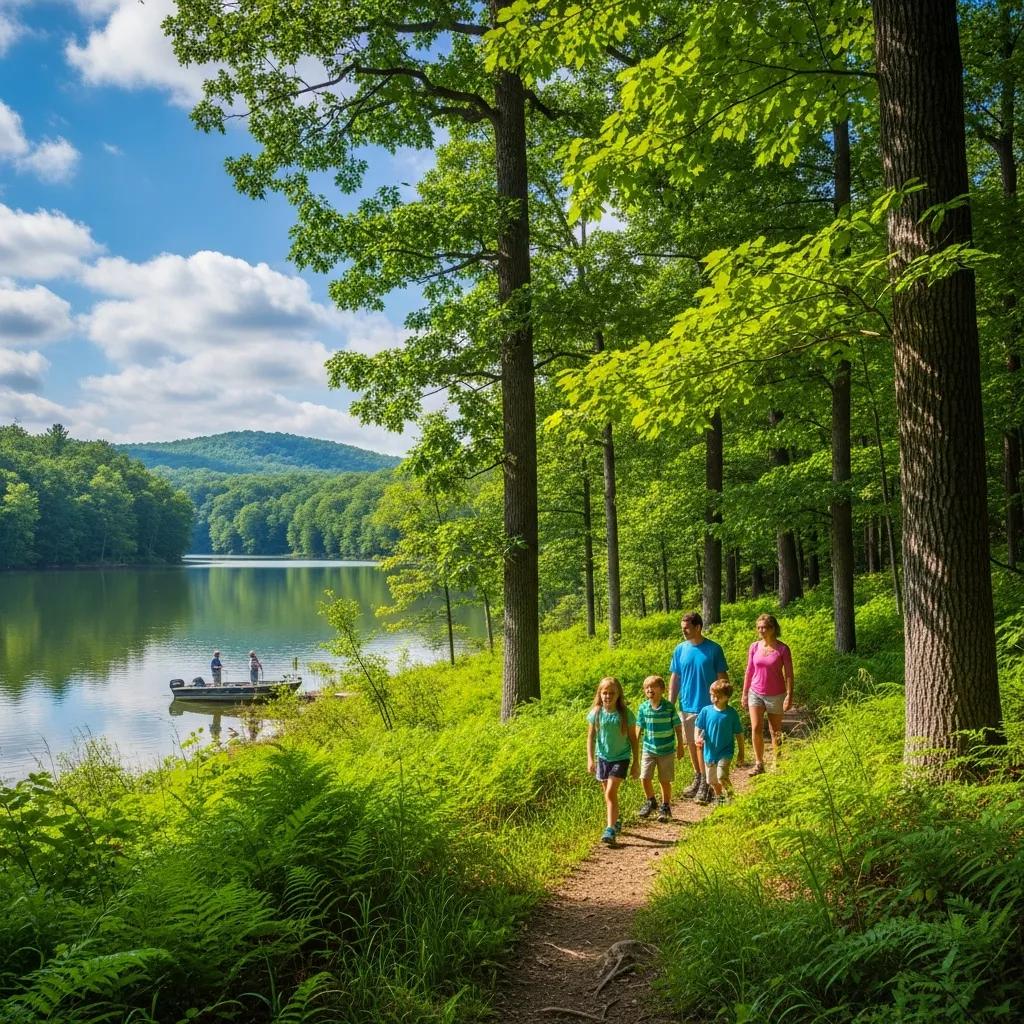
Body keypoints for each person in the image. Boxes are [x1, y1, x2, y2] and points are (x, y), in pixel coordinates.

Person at [669, 612, 729, 805]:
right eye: (682, 628)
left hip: (708, 708)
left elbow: (722, 678)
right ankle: (698, 777)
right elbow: (675, 677)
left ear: (698, 627)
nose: (684, 631)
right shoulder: (680, 650)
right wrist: (671, 702)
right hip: (686, 705)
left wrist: (721, 703)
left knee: (704, 746)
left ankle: (706, 783)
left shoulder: (713, 649)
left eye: (687, 628)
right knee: (692, 746)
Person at [586, 676, 639, 845]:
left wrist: (636, 762)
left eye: (612, 693)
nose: (608, 696)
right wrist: (590, 759)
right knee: (608, 795)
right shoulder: (596, 713)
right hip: (602, 758)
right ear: (600, 694)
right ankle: (616, 820)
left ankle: (610, 830)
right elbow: (591, 737)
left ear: (618, 695)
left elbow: (633, 739)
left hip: (621, 758)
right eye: (605, 693)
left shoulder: (625, 714)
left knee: (610, 792)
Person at [741, 612, 794, 776]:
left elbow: (789, 674)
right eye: (759, 628)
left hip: (776, 694)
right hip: (755, 692)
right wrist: (744, 693)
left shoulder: (782, 649)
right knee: (756, 728)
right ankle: (759, 763)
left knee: (775, 731)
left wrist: (789, 695)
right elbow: (749, 671)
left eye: (764, 627)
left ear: (773, 628)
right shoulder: (754, 647)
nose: (761, 630)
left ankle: (777, 764)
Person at [635, 674, 684, 823]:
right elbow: (639, 727)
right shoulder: (643, 708)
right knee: (644, 777)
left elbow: (677, 725)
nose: (650, 689)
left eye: (653, 686)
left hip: (667, 750)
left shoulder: (668, 707)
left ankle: (665, 806)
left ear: (662, 690)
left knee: (664, 780)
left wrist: (680, 745)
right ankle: (651, 801)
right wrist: (634, 745)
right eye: (647, 687)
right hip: (648, 749)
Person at [695, 680, 745, 806]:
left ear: (727, 697)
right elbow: (698, 726)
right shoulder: (706, 711)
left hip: (726, 751)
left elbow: (739, 734)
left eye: (719, 696)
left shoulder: (731, 713)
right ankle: (719, 798)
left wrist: (741, 752)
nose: (715, 699)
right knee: (712, 780)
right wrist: (697, 738)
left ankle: (731, 795)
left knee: (721, 775)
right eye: (712, 695)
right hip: (710, 752)